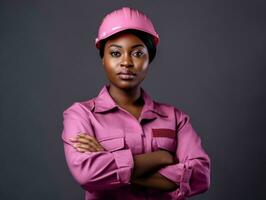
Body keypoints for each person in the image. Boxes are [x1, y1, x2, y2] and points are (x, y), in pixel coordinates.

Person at [61, 7, 211, 200]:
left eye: (138, 53)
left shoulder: (175, 119)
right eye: (115, 53)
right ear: (103, 59)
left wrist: (109, 160)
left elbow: (200, 176)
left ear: (150, 59)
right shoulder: (80, 115)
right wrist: (160, 158)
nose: (126, 62)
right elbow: (88, 175)